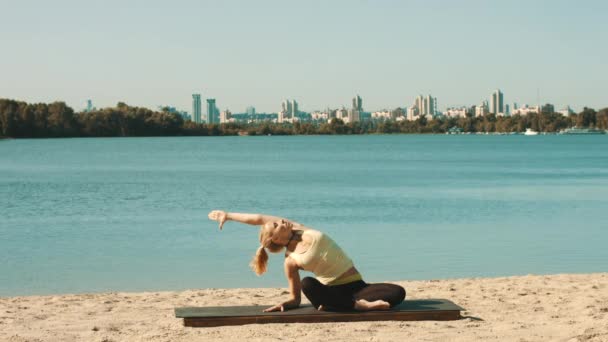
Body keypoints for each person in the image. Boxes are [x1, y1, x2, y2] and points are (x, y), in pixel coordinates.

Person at [208, 210, 406, 312]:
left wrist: (229, 216)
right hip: (331, 290)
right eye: (276, 225)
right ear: (276, 239)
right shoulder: (290, 261)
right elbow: (296, 298)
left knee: (398, 292)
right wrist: (285, 303)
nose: (281, 221)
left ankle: (341, 305)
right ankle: (358, 306)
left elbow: (259, 218)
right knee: (307, 284)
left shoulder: (299, 228)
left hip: (358, 287)